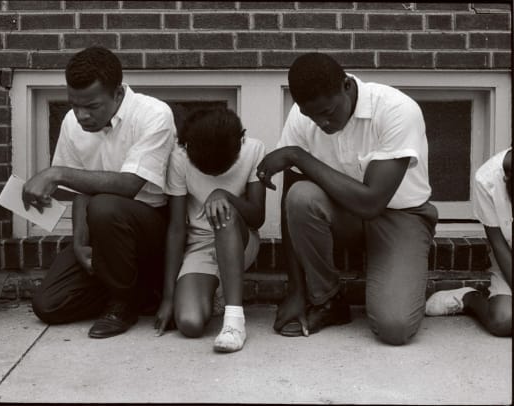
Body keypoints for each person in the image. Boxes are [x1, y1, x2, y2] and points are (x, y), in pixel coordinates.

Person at [257, 52, 438, 345]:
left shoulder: (396, 109)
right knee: (300, 195)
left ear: (346, 86)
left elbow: (372, 203)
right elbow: (291, 204)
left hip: (401, 215)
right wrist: (296, 291)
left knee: (395, 328)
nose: (322, 123)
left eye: (328, 112)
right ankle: (328, 300)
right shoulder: (302, 117)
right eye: (311, 115)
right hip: (343, 215)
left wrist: (297, 155)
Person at [25, 47, 175, 338]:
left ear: (118, 94)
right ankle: (138, 289)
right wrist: (80, 243)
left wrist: (56, 173)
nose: (81, 115)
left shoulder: (154, 115)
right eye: (74, 104)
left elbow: (130, 185)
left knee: (106, 206)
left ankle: (124, 302)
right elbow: (80, 190)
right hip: (102, 231)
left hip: (150, 229)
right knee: (48, 305)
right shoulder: (72, 121)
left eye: (91, 106)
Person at [154, 108, 266, 352]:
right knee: (189, 323)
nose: (214, 174)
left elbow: (257, 218)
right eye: (206, 169)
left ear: (240, 142)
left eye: (223, 168)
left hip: (239, 238)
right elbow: (176, 229)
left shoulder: (253, 149)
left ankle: (234, 322)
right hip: (201, 245)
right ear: (187, 148)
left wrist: (224, 194)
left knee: (223, 212)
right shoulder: (180, 157)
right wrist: (168, 297)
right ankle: (217, 290)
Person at [426, 148, 511, 337]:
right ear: (507, 177)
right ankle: (470, 298)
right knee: (503, 320)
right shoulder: (487, 179)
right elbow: (498, 244)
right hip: (508, 256)